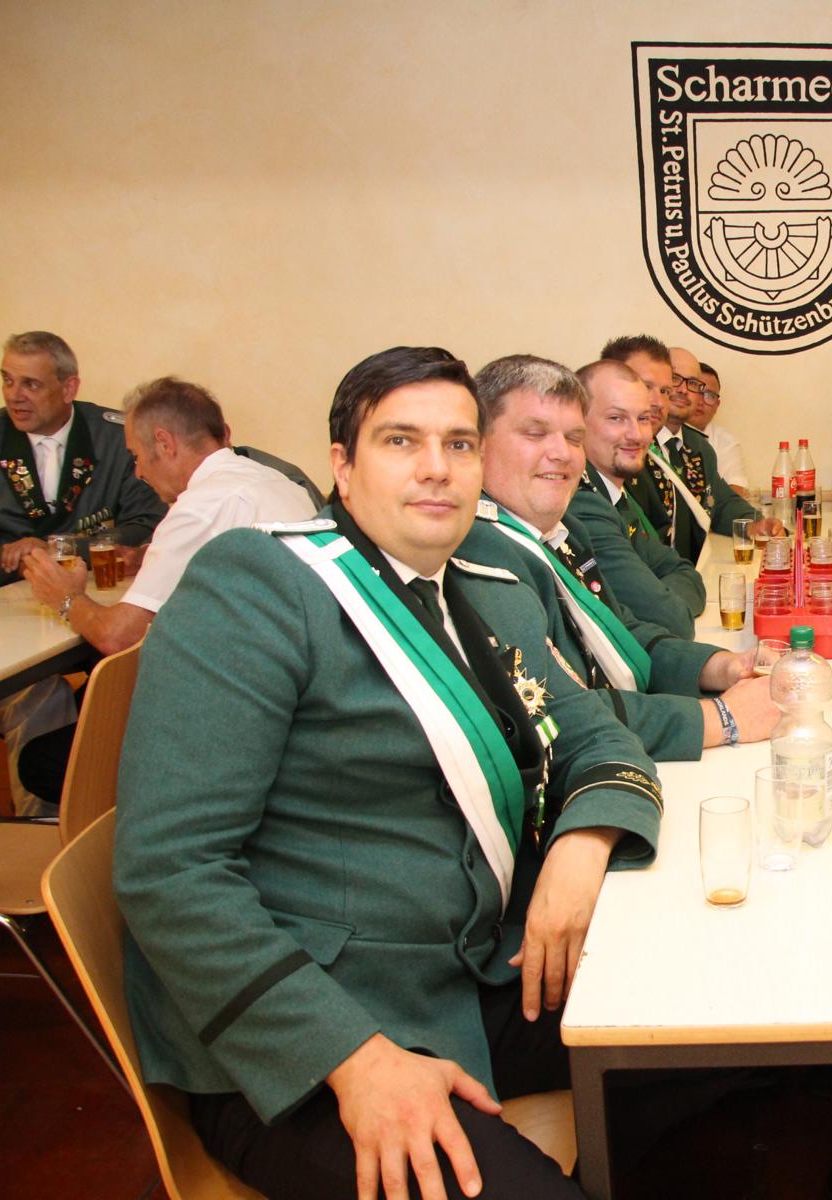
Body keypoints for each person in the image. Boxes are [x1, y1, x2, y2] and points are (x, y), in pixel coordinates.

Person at [116, 346, 664, 1200]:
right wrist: (352, 1057)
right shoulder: (255, 586)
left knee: (722, 1029)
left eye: (458, 443)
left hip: (471, 977)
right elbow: (169, 872)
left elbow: (599, 735)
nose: (436, 468)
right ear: (342, 464)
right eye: (401, 441)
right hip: (310, 1041)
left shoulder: (485, 584)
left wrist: (582, 844)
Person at [16, 376, 316, 806]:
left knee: (39, 759)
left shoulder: (200, 506)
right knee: (88, 701)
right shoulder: (275, 480)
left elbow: (117, 637)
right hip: (293, 693)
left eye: (137, 457)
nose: (138, 472)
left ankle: (123, 828)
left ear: (164, 443)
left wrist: (65, 596)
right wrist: (151, 556)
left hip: (241, 717)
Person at [460, 353, 775, 760]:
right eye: (535, 434)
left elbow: (622, 632)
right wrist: (721, 719)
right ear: (477, 445)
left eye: (573, 438)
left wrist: (723, 666)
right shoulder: (480, 550)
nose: (562, 453)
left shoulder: (564, 527)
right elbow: (554, 710)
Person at [0, 331, 164, 584]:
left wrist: (60, 550)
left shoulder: (119, 438)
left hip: (98, 588)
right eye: (8, 380)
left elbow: (147, 525)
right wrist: (19, 561)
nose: (14, 395)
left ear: (68, 388)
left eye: (31, 384)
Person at [567, 358, 708, 637]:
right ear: (578, 424)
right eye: (616, 418)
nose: (636, 435)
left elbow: (682, 569)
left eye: (643, 419)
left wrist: (666, 596)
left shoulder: (616, 495)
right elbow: (671, 620)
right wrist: (669, 600)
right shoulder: (583, 504)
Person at [616, 337, 761, 565]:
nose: (683, 390)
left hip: (687, 570)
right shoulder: (632, 448)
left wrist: (755, 523)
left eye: (693, 383)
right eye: (675, 379)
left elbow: (719, 501)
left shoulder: (699, 446)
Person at [688, 360, 747, 490]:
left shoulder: (727, 444)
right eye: (696, 391)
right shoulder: (659, 434)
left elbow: (736, 492)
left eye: (709, 395)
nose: (700, 401)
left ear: (716, 405)